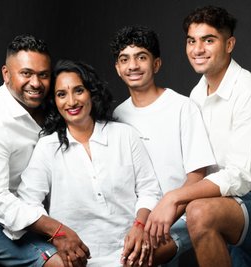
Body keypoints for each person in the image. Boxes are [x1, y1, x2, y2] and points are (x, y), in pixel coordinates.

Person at [145, 5, 251, 267]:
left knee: (200, 213)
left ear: (229, 44)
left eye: (209, 40)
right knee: (147, 250)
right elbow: (199, 167)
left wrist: (174, 198)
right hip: (224, 203)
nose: (197, 49)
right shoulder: (197, 95)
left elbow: (239, 177)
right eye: (191, 41)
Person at [15, 59, 162, 267]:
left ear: (91, 92)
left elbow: (149, 190)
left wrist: (140, 225)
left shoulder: (124, 135)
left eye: (78, 90)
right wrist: (58, 233)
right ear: (54, 102)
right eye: (61, 94)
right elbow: (28, 203)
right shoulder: (47, 147)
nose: (72, 101)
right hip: (77, 259)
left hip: (132, 254)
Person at [0, 34, 84, 267]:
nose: (36, 83)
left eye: (43, 75)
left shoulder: (53, 103)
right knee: (64, 264)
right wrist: (57, 230)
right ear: (6, 74)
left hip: (35, 207)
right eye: (26, 73)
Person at [110, 25, 216, 266]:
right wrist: (140, 222)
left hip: (180, 215)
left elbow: (198, 174)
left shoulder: (182, 107)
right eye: (124, 59)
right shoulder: (118, 115)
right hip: (137, 217)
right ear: (118, 68)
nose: (133, 66)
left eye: (141, 57)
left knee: (141, 259)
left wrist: (165, 214)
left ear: (156, 64)